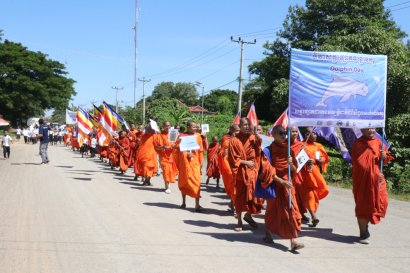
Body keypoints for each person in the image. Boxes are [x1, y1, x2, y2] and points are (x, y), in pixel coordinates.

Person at [258, 125, 304, 251]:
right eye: (281, 133)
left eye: (285, 133)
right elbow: (268, 171)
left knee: (291, 210)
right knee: (272, 211)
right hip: (275, 184)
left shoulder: (289, 150)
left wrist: (291, 164)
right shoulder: (268, 150)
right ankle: (268, 234)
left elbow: (295, 170)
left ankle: (293, 240)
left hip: (288, 185)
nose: (284, 135)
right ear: (273, 135)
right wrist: (281, 182)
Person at [351, 128, 394, 244]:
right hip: (362, 180)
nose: (371, 130)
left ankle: (366, 225)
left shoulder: (378, 142)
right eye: (369, 128)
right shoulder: (358, 144)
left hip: (377, 179)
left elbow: (384, 161)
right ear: (362, 130)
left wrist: (384, 156)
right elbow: (358, 162)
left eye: (373, 128)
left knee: (382, 201)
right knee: (363, 205)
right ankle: (363, 233)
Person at [228, 117, 262, 231]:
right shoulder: (234, 140)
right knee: (240, 197)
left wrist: (258, 140)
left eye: (248, 124)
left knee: (254, 195)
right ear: (240, 126)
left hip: (253, 171)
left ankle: (248, 215)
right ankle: (239, 221)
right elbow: (233, 159)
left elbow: (258, 152)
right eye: (244, 125)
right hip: (241, 173)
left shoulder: (253, 138)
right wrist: (245, 162)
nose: (247, 126)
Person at [299, 127, 329, 226]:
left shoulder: (318, 146)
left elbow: (323, 157)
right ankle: (313, 215)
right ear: (307, 135)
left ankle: (305, 213)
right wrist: (301, 151)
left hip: (315, 173)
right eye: (313, 134)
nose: (316, 135)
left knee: (315, 193)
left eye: (316, 134)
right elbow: (295, 158)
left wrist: (321, 160)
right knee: (309, 194)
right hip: (304, 173)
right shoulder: (300, 145)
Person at [174, 120, 204, 212]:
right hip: (185, 163)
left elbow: (200, 151)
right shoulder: (182, 136)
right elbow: (176, 148)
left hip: (195, 163)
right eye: (193, 127)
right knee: (184, 182)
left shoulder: (198, 136)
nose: (195, 128)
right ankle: (183, 202)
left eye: (196, 127)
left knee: (197, 182)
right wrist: (186, 153)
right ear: (188, 127)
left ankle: (197, 205)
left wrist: (201, 163)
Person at [289, 126, 309, 222]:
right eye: (293, 131)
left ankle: (300, 212)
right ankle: (293, 212)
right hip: (288, 172)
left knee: (300, 193)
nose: (295, 133)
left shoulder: (300, 144)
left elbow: (306, 159)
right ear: (288, 132)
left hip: (299, 172)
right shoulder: (284, 144)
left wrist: (303, 151)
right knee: (291, 193)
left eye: (296, 131)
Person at [218, 124, 239, 213]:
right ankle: (234, 205)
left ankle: (232, 204)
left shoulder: (240, 138)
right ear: (231, 130)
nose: (237, 132)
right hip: (228, 164)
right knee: (232, 183)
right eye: (235, 130)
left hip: (238, 163)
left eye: (238, 130)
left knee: (236, 185)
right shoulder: (226, 138)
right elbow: (223, 151)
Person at [154, 121, 178, 193]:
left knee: (171, 171)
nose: (167, 127)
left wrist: (175, 145)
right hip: (164, 156)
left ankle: (167, 184)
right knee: (165, 170)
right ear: (163, 126)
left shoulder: (173, 134)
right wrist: (162, 147)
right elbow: (156, 147)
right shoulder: (159, 135)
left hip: (172, 156)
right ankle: (167, 186)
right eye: (166, 126)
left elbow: (177, 145)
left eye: (169, 126)